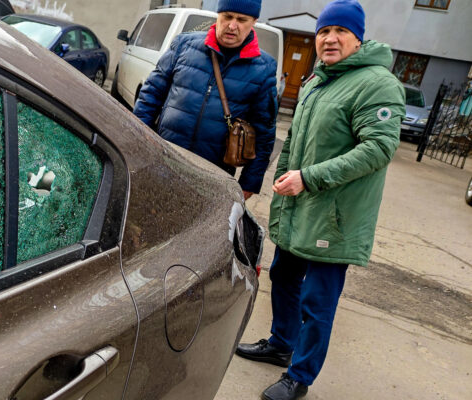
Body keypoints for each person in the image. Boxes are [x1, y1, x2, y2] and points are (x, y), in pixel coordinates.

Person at [234, 1, 405, 399]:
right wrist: (283, 173)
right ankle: (281, 343)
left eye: (340, 32)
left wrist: (308, 178)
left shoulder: (376, 83)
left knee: (318, 299)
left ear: (357, 38)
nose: (329, 39)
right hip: (300, 205)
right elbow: (294, 137)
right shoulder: (317, 80)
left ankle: (301, 375)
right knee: (284, 277)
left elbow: (379, 148)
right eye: (324, 32)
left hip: (335, 215)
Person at [133, 0, 277, 200]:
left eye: (241, 20)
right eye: (227, 16)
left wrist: (250, 181)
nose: (232, 25)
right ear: (218, 15)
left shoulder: (264, 69)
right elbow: (150, 95)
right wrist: (139, 140)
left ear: (253, 21)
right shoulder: (183, 45)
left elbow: (264, 132)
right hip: (164, 159)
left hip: (214, 176)